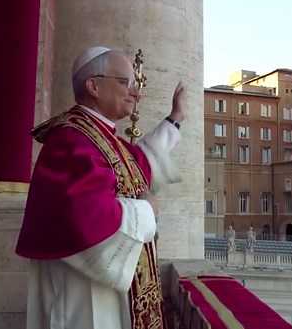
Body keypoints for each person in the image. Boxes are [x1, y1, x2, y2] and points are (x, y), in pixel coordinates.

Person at [15, 46, 185, 329]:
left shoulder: (102, 136)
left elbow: (141, 163)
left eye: (136, 84)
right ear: (93, 85)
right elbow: (85, 218)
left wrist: (174, 119)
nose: (136, 92)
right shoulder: (71, 138)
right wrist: (146, 210)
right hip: (82, 292)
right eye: (127, 83)